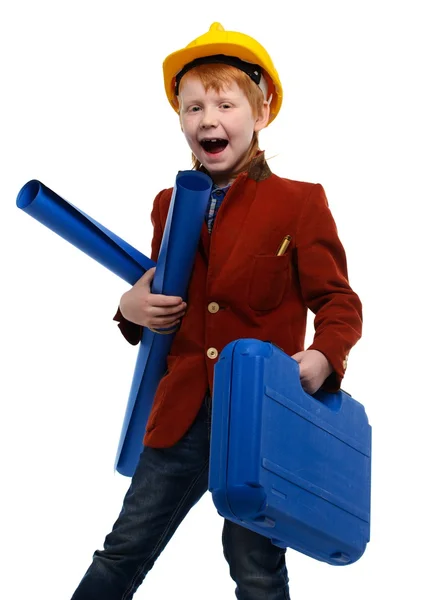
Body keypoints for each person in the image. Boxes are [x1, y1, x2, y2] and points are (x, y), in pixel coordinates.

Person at [71, 22, 362, 600]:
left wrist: (323, 357)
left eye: (225, 103)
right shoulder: (168, 204)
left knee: (253, 563)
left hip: (258, 417)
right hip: (180, 412)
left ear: (260, 112)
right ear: (180, 118)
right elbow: (162, 298)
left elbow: (338, 302)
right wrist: (130, 307)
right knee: (124, 548)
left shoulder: (299, 203)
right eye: (193, 106)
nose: (209, 119)